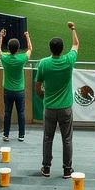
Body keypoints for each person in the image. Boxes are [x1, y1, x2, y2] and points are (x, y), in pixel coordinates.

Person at [35, 22, 78, 178]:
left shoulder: (44, 63)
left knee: (48, 138)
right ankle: (67, 169)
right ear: (61, 49)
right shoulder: (68, 61)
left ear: (50, 49)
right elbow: (76, 44)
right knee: (67, 139)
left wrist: (44, 98)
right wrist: (72, 29)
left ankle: (46, 168)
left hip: (50, 108)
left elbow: (38, 86)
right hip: (66, 107)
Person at [0, 30, 31, 143]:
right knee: (21, 113)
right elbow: (30, 49)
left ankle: (6, 135)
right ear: (18, 49)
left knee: (8, 112)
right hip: (19, 90)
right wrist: (27, 36)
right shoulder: (21, 59)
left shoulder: (5, 59)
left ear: (8, 48)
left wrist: (1, 37)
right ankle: (21, 135)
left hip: (7, 90)